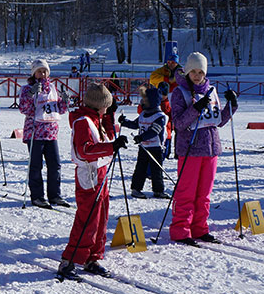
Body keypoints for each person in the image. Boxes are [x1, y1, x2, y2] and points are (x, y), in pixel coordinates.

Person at [57, 83, 125, 279]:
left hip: (101, 171)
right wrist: (111, 147)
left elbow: (107, 139)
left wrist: (110, 118)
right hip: (89, 174)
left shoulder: (98, 119)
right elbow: (84, 150)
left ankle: (92, 257)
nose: (107, 108)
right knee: (87, 219)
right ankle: (69, 260)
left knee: (101, 217)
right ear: (97, 105)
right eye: (106, 105)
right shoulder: (83, 122)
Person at [168, 52, 237, 244]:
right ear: (187, 71)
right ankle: (181, 230)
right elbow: (179, 123)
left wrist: (232, 105)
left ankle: (199, 228)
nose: (197, 76)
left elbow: (219, 121)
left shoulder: (211, 91)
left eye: (201, 72)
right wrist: (196, 108)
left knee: (204, 194)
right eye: (193, 72)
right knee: (186, 192)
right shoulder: (179, 93)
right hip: (190, 149)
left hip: (210, 148)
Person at [19, 58, 70, 209]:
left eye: (44, 71)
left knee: (55, 165)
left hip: (51, 132)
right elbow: (24, 109)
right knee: (36, 166)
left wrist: (65, 101)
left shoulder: (53, 88)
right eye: (39, 71)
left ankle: (55, 195)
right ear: (34, 73)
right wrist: (31, 96)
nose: (42, 74)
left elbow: (59, 109)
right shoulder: (27, 89)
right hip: (35, 132)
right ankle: (37, 196)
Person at [119, 86, 169, 199]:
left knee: (156, 171)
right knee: (140, 169)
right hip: (144, 147)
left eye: (145, 100)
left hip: (155, 148)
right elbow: (136, 124)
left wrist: (141, 137)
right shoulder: (143, 114)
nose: (142, 102)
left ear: (152, 101)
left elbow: (154, 131)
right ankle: (136, 189)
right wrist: (124, 122)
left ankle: (158, 190)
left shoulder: (160, 117)